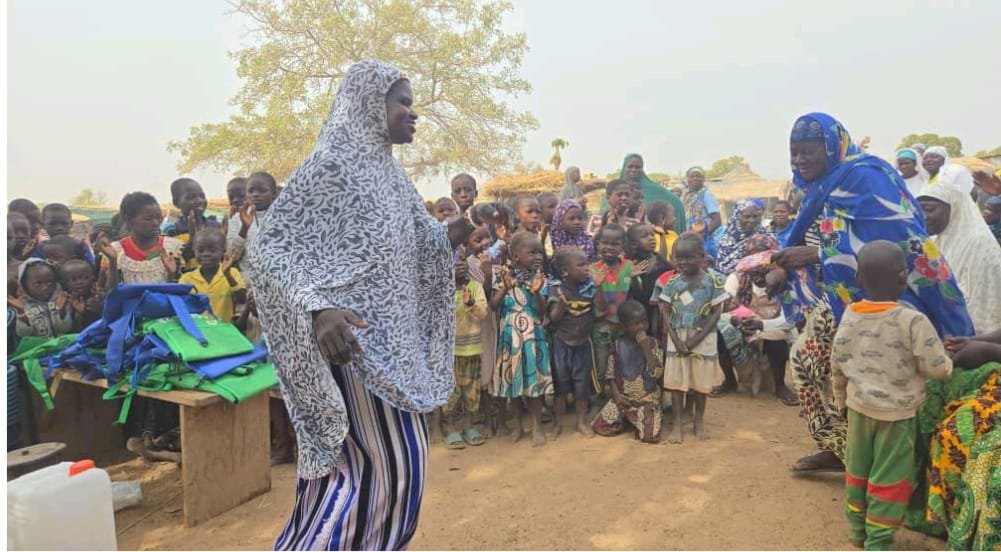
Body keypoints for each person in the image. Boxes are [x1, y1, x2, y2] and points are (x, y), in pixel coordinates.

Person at [250, 60, 466, 551]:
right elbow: (270, 251)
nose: (413, 115)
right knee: (382, 474)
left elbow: (416, 243)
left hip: (396, 350)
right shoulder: (331, 166)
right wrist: (317, 309)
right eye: (403, 103)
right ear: (369, 105)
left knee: (381, 473)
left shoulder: (391, 175)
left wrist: (451, 236)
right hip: (357, 347)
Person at [773, 112, 973, 473]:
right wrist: (779, 263)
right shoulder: (817, 187)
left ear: (832, 147)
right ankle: (841, 445)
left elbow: (900, 243)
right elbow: (810, 236)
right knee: (808, 361)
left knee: (892, 380)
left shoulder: (865, 177)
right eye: (794, 151)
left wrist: (818, 254)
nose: (800, 159)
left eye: (808, 151)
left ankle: (909, 468)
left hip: (893, 298)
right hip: (841, 300)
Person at [831, 241, 954, 550]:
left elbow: (837, 361)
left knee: (858, 471)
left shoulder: (850, 315)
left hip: (858, 409)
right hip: (896, 417)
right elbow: (939, 370)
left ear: (858, 279)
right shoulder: (912, 321)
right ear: (903, 278)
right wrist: (948, 357)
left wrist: (840, 401)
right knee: (890, 479)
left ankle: (858, 532)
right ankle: (879, 542)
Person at [657, 233, 728, 443]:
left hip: (703, 337)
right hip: (677, 337)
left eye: (689, 257)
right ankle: (678, 424)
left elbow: (716, 313)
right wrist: (677, 341)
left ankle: (699, 421)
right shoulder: (672, 282)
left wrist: (696, 339)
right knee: (678, 382)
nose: (683, 262)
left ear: (702, 257)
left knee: (700, 383)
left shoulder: (714, 282)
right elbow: (665, 311)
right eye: (679, 258)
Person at [489, 231, 552, 447]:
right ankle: (517, 425)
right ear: (515, 256)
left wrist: (535, 293)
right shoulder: (504, 278)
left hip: (533, 339)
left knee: (533, 386)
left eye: (540, 252)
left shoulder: (540, 279)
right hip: (510, 339)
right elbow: (494, 306)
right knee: (513, 385)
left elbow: (542, 311)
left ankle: (537, 427)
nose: (537, 256)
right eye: (531, 252)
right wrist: (505, 288)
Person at [918, 185, 1001, 333]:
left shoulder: (979, 243)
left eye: (930, 209)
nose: (923, 216)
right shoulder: (936, 241)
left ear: (954, 208)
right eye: (919, 210)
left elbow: (983, 301)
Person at [723, 248, 799, 405]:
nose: (759, 259)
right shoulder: (736, 278)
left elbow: (790, 319)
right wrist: (737, 321)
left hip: (771, 327)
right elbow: (723, 310)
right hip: (743, 325)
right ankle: (730, 381)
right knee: (721, 331)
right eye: (754, 255)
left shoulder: (785, 279)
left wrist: (761, 324)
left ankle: (780, 386)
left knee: (777, 335)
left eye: (765, 254)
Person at [547, 246, 602, 438]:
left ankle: (581, 421)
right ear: (565, 270)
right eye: (580, 265)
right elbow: (554, 318)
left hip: (583, 344)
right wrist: (562, 303)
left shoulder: (590, 286)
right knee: (560, 386)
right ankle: (558, 423)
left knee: (582, 386)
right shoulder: (555, 288)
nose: (586, 268)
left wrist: (600, 287)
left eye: (587, 263)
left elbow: (601, 308)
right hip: (562, 344)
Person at [591, 300, 663, 444]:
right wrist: (617, 396)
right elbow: (610, 374)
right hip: (624, 399)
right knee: (599, 426)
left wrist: (646, 349)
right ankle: (631, 419)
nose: (641, 327)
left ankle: (641, 418)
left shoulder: (653, 344)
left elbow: (657, 374)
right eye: (636, 324)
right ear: (624, 326)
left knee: (649, 437)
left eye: (644, 322)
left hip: (646, 400)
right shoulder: (618, 346)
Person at [590, 224, 641, 400]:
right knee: (601, 364)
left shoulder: (629, 267)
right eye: (605, 242)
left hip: (623, 326)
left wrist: (634, 279)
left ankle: (622, 399)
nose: (609, 247)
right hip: (602, 326)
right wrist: (598, 286)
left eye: (615, 243)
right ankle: (598, 401)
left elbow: (635, 294)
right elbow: (599, 305)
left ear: (623, 246)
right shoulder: (593, 270)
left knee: (622, 362)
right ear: (597, 244)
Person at [443, 254, 487, 450]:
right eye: (452, 260)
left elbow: (483, 313)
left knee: (472, 391)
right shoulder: (442, 289)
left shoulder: (475, 287)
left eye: (461, 260)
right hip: (449, 351)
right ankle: (450, 426)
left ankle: (469, 425)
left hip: (472, 348)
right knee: (451, 392)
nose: (459, 264)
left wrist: (470, 304)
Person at [98, 192, 182, 288]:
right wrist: (113, 261)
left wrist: (171, 274)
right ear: (129, 220)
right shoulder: (114, 251)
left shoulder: (173, 249)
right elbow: (108, 292)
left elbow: (179, 289)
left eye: (159, 217)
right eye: (148, 219)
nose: (156, 222)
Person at [178, 230, 246, 324]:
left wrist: (228, 275)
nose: (206, 254)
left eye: (213, 250)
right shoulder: (186, 279)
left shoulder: (232, 273)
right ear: (194, 250)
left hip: (224, 332)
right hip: (198, 332)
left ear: (223, 250)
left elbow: (242, 299)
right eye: (200, 250)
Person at [610, 154, 686, 232]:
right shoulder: (614, 189)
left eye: (637, 167)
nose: (633, 169)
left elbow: (676, 202)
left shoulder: (655, 190)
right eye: (630, 166)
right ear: (624, 168)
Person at [226, 171, 278, 281]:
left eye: (262, 191)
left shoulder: (282, 217)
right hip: (248, 281)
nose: (255, 194)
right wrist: (244, 228)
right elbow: (231, 256)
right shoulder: (236, 219)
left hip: (277, 279)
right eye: (251, 191)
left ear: (273, 193)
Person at [162, 178, 219, 270]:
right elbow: (174, 262)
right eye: (191, 197)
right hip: (187, 281)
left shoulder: (215, 226)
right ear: (176, 203)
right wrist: (192, 239)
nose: (199, 200)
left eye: (202, 196)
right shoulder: (171, 230)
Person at [626, 223, 672, 337]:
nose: (651, 238)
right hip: (636, 312)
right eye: (644, 236)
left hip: (657, 311)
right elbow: (631, 291)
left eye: (652, 235)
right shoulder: (629, 263)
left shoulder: (661, 262)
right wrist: (632, 277)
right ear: (633, 244)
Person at [11, 259, 74, 338]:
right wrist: (22, 317)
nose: (45, 287)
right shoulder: (23, 306)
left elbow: (66, 329)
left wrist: (62, 312)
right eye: (37, 284)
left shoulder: (60, 300)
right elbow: (23, 334)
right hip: (39, 348)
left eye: (50, 282)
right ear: (25, 285)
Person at [715, 199, 775, 274]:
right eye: (747, 216)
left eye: (755, 216)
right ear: (737, 217)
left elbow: (775, 258)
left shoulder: (766, 236)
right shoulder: (727, 240)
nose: (752, 220)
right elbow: (721, 267)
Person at [58, 258, 101, 331]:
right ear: (64, 283)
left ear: (92, 278)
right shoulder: (63, 301)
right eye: (73, 279)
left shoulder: (96, 298)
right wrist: (62, 311)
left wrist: (98, 309)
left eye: (84, 278)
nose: (79, 282)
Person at [681, 166, 721, 243]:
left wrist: (702, 235)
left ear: (703, 179)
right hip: (690, 238)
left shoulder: (706, 195)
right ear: (687, 180)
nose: (695, 178)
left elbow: (717, 220)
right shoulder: (686, 197)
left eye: (698, 176)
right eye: (691, 176)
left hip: (703, 240)